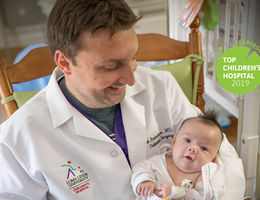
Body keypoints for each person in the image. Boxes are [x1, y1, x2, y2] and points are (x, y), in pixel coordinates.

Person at [0, 0, 245, 199]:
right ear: (65, 63)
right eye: (112, 65)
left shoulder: (162, 87)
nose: (130, 78)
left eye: (133, 58)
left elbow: (219, 151)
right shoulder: (19, 137)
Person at [131, 111, 225, 200]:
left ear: (213, 159)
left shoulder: (204, 176)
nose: (192, 149)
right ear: (174, 142)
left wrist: (177, 192)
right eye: (187, 140)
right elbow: (139, 168)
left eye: (203, 148)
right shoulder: (158, 162)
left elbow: (207, 197)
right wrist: (144, 181)